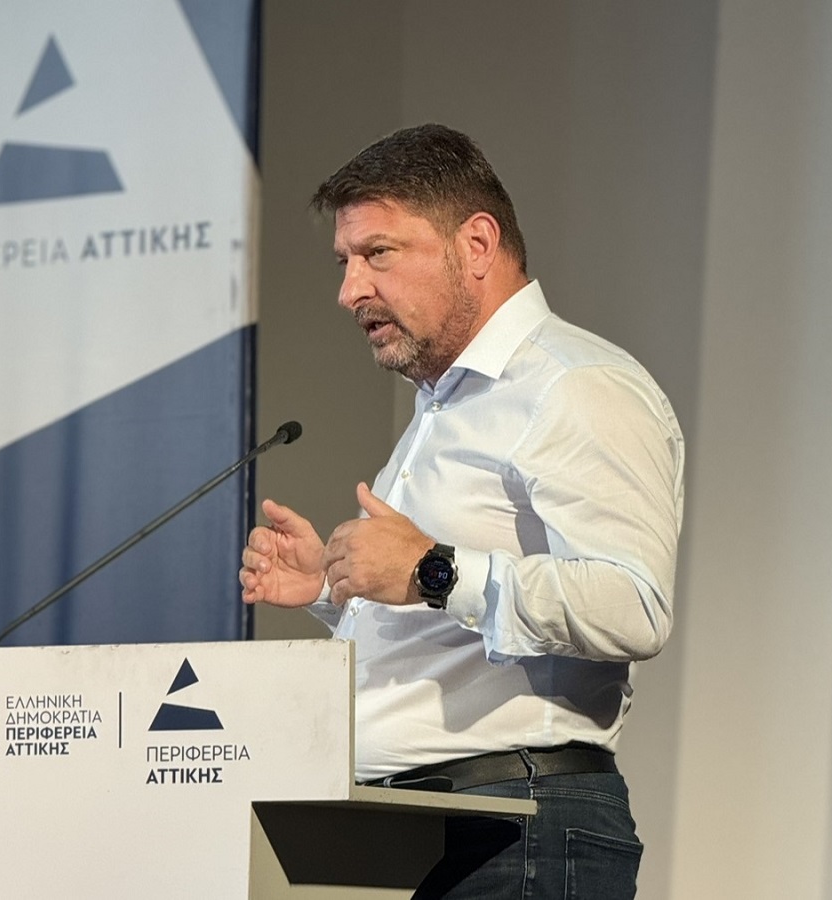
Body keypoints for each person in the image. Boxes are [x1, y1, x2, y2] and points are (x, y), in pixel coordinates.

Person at [240, 123, 683, 899]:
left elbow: (633, 605)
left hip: (516, 827)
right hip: (416, 831)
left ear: (476, 244)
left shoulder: (573, 385)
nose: (349, 290)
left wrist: (430, 568)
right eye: (345, 262)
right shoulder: (445, 405)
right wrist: (335, 588)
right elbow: (452, 624)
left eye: (378, 253)